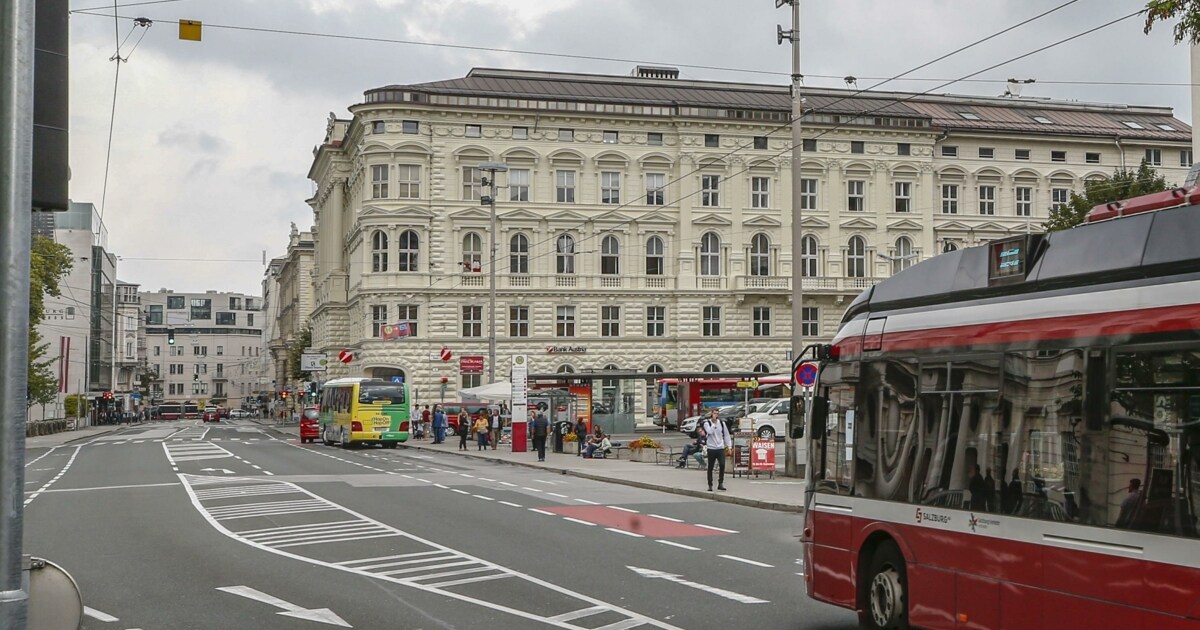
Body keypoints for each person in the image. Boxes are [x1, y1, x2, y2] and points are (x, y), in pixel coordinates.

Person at [701, 409, 731, 491]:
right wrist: (713, 423)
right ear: (711, 414)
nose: (716, 415)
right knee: (710, 466)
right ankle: (710, 484)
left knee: (722, 464)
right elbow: (709, 432)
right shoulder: (707, 423)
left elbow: (726, 435)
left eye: (717, 414)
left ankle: (720, 483)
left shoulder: (722, 423)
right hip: (711, 448)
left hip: (720, 447)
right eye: (714, 413)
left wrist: (729, 446)